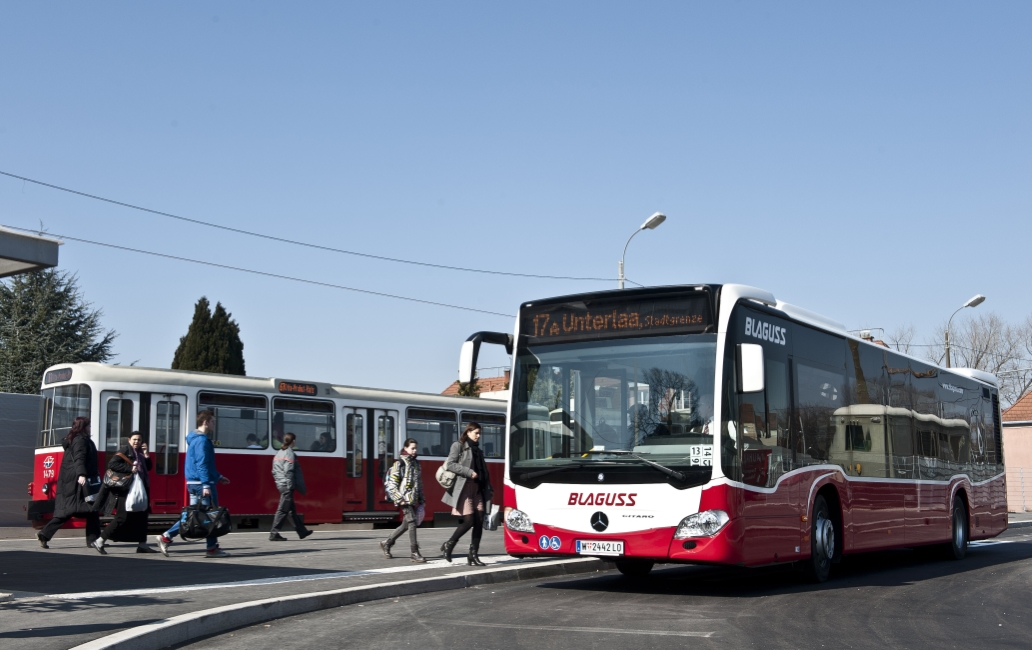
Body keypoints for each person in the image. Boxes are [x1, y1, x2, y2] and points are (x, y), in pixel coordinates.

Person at [156, 410, 231, 558]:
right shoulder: (202, 441)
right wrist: (206, 485)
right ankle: (210, 548)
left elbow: (206, 465)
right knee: (210, 515)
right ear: (205, 422)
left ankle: (168, 537)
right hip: (201, 483)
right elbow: (202, 464)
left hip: (195, 482)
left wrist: (219, 476)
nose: (214, 424)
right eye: (212, 421)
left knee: (196, 515)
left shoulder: (195, 439)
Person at [37, 417, 101, 549]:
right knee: (85, 509)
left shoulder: (74, 439)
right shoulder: (81, 440)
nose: (90, 428)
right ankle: (92, 540)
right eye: (88, 426)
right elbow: (79, 458)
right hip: (77, 482)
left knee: (79, 510)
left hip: (71, 481)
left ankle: (92, 540)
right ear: (83, 427)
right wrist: (81, 474)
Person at [93, 431, 158, 554]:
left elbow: (148, 467)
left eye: (139, 440)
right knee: (121, 517)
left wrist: (146, 454)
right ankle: (99, 541)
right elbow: (112, 464)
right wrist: (130, 469)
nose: (136, 442)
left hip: (141, 489)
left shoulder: (140, 452)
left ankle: (142, 545)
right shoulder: (125, 451)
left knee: (142, 516)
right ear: (129, 440)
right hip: (127, 490)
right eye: (134, 439)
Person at [441, 422, 492, 565]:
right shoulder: (458, 446)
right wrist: (468, 472)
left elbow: (484, 472)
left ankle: (473, 555)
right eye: (476, 433)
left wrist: (489, 487)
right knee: (469, 521)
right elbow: (450, 464)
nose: (478, 436)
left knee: (479, 521)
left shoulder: (478, 450)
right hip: (464, 488)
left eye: (480, 433)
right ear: (468, 432)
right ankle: (449, 544)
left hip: (478, 489)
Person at [379, 437, 426, 563]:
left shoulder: (416, 464)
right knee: (411, 522)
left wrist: (422, 499)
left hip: (412, 499)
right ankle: (414, 552)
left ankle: (387, 543)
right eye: (412, 448)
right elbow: (392, 484)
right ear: (405, 448)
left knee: (406, 525)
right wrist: (399, 499)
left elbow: (419, 483)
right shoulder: (399, 463)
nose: (414, 451)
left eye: (416, 448)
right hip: (404, 499)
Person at [269, 432, 313, 541]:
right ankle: (274, 534)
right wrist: (289, 485)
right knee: (283, 510)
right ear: (293, 441)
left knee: (290, 510)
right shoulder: (289, 453)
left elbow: (274, 470)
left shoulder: (279, 452)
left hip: (281, 483)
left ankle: (302, 531)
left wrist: (279, 481)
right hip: (286, 485)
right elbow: (288, 470)